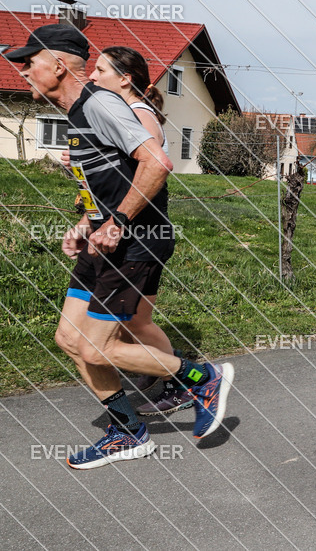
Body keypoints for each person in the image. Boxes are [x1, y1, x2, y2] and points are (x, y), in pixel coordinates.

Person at [4, 25, 234, 468]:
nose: (24, 70)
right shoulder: (75, 112)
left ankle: (200, 378)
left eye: (30, 61)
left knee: (97, 348)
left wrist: (118, 222)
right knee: (70, 338)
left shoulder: (102, 103)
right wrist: (85, 222)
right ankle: (128, 432)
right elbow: (110, 181)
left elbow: (157, 162)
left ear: (57, 65)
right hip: (104, 239)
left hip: (133, 243)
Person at [89, 46, 195, 416]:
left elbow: (152, 165)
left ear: (125, 78)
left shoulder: (138, 113)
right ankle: (167, 372)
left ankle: (182, 381)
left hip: (143, 232)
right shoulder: (126, 111)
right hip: (139, 232)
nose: (92, 76)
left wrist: (117, 216)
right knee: (136, 320)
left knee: (136, 321)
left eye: (100, 70)